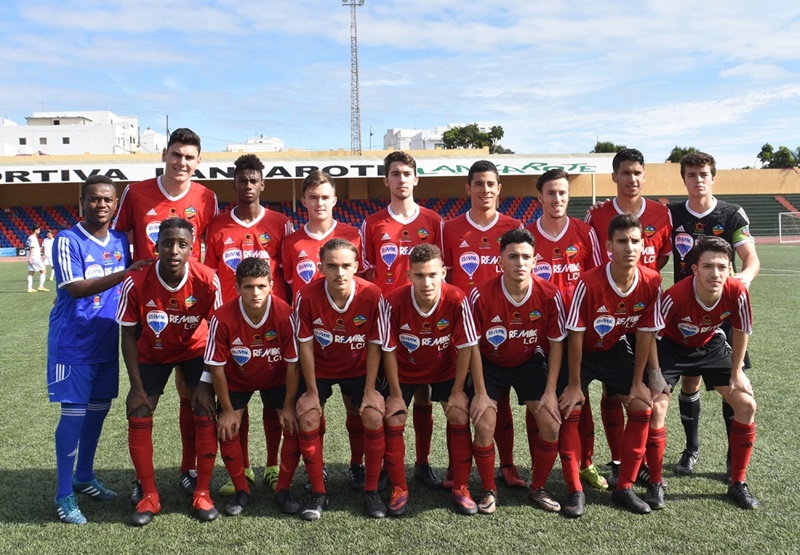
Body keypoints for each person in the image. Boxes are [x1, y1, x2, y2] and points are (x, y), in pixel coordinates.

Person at [113, 127, 219, 497]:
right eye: (176, 154)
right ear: (164, 154)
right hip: (150, 307)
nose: (181, 162)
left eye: (189, 157)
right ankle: (144, 484)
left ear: (198, 162)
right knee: (144, 399)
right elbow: (118, 238)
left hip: (189, 310)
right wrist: (128, 273)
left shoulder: (207, 197)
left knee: (193, 395)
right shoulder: (136, 192)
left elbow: (209, 247)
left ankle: (190, 469)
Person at [48, 175, 149, 524]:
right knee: (73, 417)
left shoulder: (120, 240)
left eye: (107, 199)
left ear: (115, 205)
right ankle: (63, 494)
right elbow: (76, 288)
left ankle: (84, 476)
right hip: (73, 344)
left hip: (107, 342)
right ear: (82, 203)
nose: (101, 204)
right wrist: (125, 273)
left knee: (97, 413)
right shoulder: (67, 239)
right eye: (94, 199)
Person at [469, 229, 586, 517]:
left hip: (529, 363)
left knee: (551, 423)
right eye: (512, 257)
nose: (519, 263)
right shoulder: (480, 294)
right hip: (490, 364)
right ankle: (489, 489)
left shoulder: (549, 294)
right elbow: (470, 346)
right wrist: (480, 393)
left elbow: (556, 344)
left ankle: (538, 487)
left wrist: (550, 391)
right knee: (484, 424)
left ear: (535, 261)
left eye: (525, 257)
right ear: (500, 262)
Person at [116, 218, 222, 526]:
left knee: (204, 407)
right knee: (138, 410)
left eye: (182, 244)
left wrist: (205, 382)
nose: (174, 250)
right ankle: (149, 493)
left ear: (192, 248)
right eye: (167, 243)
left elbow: (218, 333)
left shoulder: (208, 280)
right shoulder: (136, 281)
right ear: (156, 246)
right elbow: (128, 335)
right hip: (153, 351)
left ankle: (202, 491)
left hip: (195, 349)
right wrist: (136, 386)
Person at [204, 153, 294, 496]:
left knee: (274, 404)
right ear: (234, 184)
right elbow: (211, 278)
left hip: (272, 326)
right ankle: (241, 471)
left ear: (262, 185)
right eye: (242, 180)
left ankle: (272, 466)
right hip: (232, 328)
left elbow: (286, 276)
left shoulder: (281, 224)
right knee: (234, 407)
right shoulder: (217, 226)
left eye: (253, 180)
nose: (248, 186)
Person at [648, 236, 758, 510]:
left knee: (746, 405)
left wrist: (737, 371)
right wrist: (655, 372)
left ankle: (738, 482)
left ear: (730, 268)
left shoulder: (737, 291)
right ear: (695, 269)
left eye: (722, 266)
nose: (715, 273)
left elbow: (741, 329)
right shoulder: (675, 296)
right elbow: (650, 334)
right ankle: (655, 482)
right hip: (670, 348)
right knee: (656, 408)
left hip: (710, 345)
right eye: (708, 266)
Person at [563, 213, 664, 514]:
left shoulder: (652, 281)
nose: (629, 247)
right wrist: (574, 384)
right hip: (580, 353)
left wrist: (638, 381)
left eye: (635, 241)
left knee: (641, 406)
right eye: (621, 241)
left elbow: (645, 333)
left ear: (643, 245)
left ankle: (625, 486)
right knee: (571, 407)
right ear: (609, 246)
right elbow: (575, 335)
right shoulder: (588, 282)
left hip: (612, 350)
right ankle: (574, 490)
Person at [668, 151, 760, 477]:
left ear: (713, 177)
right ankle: (691, 449)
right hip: (686, 313)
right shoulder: (672, 214)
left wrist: (741, 281)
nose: (698, 180)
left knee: (732, 385)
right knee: (690, 382)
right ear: (684, 179)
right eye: (691, 174)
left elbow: (750, 258)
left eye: (703, 174)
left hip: (724, 312)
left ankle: (733, 459)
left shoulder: (731, 214)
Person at [584, 148, 672, 486]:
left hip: (644, 309)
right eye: (625, 173)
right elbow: (594, 261)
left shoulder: (662, 214)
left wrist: (641, 286)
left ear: (644, 175)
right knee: (612, 389)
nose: (631, 179)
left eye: (637, 172)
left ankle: (647, 465)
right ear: (614, 176)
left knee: (648, 390)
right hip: (609, 312)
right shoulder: (597, 215)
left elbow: (662, 258)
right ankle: (619, 458)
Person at [192, 257, 301, 519]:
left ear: (271, 285)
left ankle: (282, 488)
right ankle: (242, 490)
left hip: (277, 378)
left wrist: (288, 406)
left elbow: (293, 365)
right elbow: (217, 368)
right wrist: (227, 410)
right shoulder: (222, 317)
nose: (256, 293)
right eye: (249, 287)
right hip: (237, 379)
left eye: (261, 286)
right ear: (238, 288)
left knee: (292, 424)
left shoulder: (286, 314)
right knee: (228, 428)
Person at [361, 151, 443, 488]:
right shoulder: (372, 223)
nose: (401, 179)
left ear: (416, 178)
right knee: (390, 396)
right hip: (389, 319)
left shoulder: (434, 221)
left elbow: (441, 271)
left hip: (426, 317)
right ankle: (385, 465)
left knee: (424, 394)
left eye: (407, 173)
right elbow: (368, 273)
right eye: (395, 174)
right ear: (386, 181)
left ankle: (422, 463)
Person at [441, 160, 525, 489]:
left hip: (503, 327)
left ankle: (507, 464)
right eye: (479, 183)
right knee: (457, 401)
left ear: (499, 188)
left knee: (499, 400)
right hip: (462, 330)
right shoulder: (450, 228)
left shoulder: (513, 225)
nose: (485, 190)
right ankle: (455, 466)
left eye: (491, 184)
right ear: (468, 188)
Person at [281, 170, 366, 491]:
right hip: (309, 341)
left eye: (325, 197)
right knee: (311, 407)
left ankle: (357, 464)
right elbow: (289, 289)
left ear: (335, 200)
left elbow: (362, 286)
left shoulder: (353, 235)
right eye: (313, 197)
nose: (319, 202)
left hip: (349, 339)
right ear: (303, 200)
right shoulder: (291, 242)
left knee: (356, 407)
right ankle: (318, 469)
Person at [293, 238, 387, 520]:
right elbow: (305, 346)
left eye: (346, 266)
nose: (340, 272)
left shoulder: (372, 295)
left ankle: (369, 486)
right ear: (320, 267)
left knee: (372, 415)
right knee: (308, 417)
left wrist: (370, 389)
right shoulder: (306, 296)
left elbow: (375, 345)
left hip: (359, 367)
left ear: (356, 266)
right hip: (320, 368)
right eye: (332, 266)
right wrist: (312, 391)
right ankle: (318, 492)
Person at [381, 243, 479, 516]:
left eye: (433, 275)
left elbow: (466, 347)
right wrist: (396, 394)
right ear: (409, 275)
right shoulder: (393, 301)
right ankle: (399, 488)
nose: (427, 282)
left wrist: (457, 390)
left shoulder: (457, 298)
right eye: (420, 275)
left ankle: (460, 486)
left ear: (443, 273)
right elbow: (388, 349)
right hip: (404, 370)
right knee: (394, 416)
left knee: (458, 413)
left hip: (444, 369)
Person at [526, 169, 605, 491]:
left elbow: (598, 280)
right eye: (551, 193)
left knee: (579, 398)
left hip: (578, 333)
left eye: (562, 193)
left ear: (568, 196)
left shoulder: (585, 233)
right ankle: (538, 464)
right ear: (540, 198)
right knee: (537, 400)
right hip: (539, 332)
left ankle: (585, 463)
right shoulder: (527, 234)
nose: (557, 198)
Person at [26, 225, 48, 292]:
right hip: (34, 258)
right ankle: (41, 286)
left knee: (31, 272)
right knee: (43, 270)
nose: (39, 231)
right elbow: (32, 248)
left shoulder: (29, 238)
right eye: (39, 230)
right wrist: (31, 257)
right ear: (35, 230)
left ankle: (29, 288)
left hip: (30, 257)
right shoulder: (33, 238)